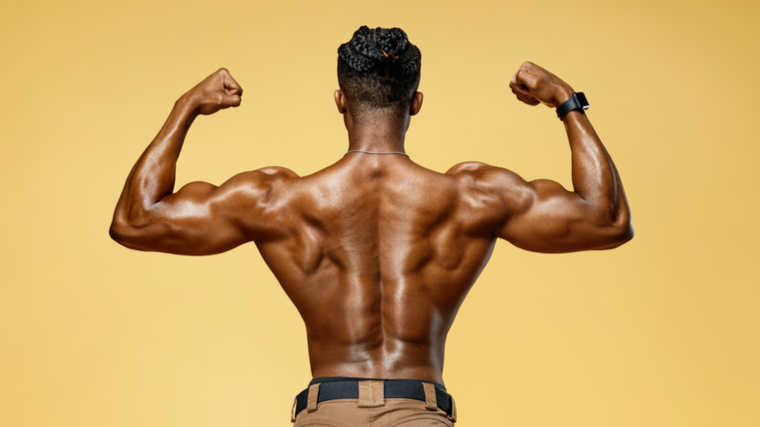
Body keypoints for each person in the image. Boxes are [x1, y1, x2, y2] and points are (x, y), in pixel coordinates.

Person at [110, 25, 633, 426]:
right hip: (420, 412)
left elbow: (136, 221)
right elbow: (606, 219)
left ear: (341, 100)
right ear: (416, 103)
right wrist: (564, 98)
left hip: (327, 414)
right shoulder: (473, 197)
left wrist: (187, 108)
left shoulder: (279, 199)